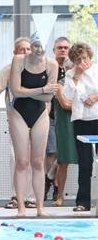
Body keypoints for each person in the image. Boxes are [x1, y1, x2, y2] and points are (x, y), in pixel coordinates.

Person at [8, 33, 59, 217]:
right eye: (35, 46)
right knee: (21, 162)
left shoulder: (52, 65)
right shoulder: (19, 61)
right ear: (31, 46)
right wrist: (42, 89)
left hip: (40, 114)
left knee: (38, 162)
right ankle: (21, 207)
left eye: (41, 46)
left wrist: (29, 91)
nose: (38, 50)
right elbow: (15, 91)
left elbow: (48, 97)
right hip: (19, 113)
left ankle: (39, 208)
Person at [0, 37, 33, 210]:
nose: (26, 52)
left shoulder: (40, 68)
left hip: (37, 121)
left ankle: (31, 197)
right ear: (15, 53)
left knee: (35, 160)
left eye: (28, 49)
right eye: (22, 49)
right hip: (16, 120)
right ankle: (16, 196)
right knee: (17, 159)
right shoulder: (9, 69)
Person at [63, 42, 98, 212]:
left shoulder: (97, 69)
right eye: (78, 59)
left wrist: (95, 97)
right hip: (81, 120)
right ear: (73, 61)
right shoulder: (70, 74)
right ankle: (82, 201)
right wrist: (76, 75)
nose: (82, 61)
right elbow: (67, 96)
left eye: (84, 57)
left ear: (89, 56)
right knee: (85, 163)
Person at [49, 38, 76, 206]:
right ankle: (54, 188)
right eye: (60, 47)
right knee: (58, 155)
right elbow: (64, 102)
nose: (63, 50)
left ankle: (51, 178)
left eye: (66, 48)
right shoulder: (50, 68)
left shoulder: (74, 72)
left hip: (74, 118)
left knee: (61, 156)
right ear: (54, 49)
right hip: (52, 116)